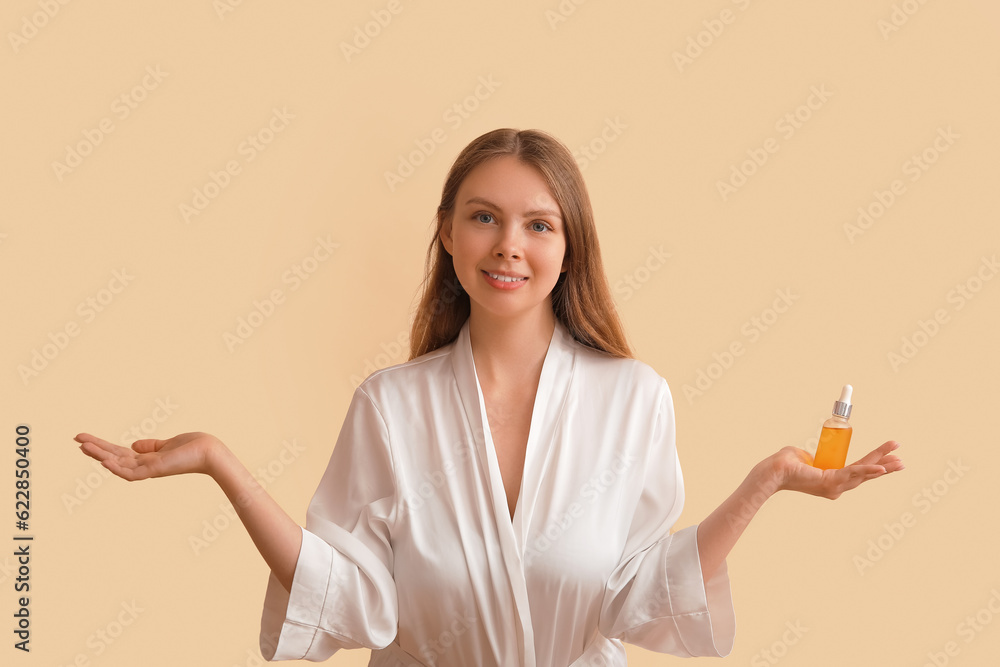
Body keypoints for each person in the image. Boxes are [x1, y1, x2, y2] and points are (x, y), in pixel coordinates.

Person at [76, 128, 904, 666]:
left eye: (539, 224)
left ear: (570, 245)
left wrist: (766, 480)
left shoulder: (633, 399)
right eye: (484, 217)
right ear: (446, 230)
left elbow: (637, 594)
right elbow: (352, 598)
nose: (510, 245)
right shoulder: (391, 407)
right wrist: (222, 464)